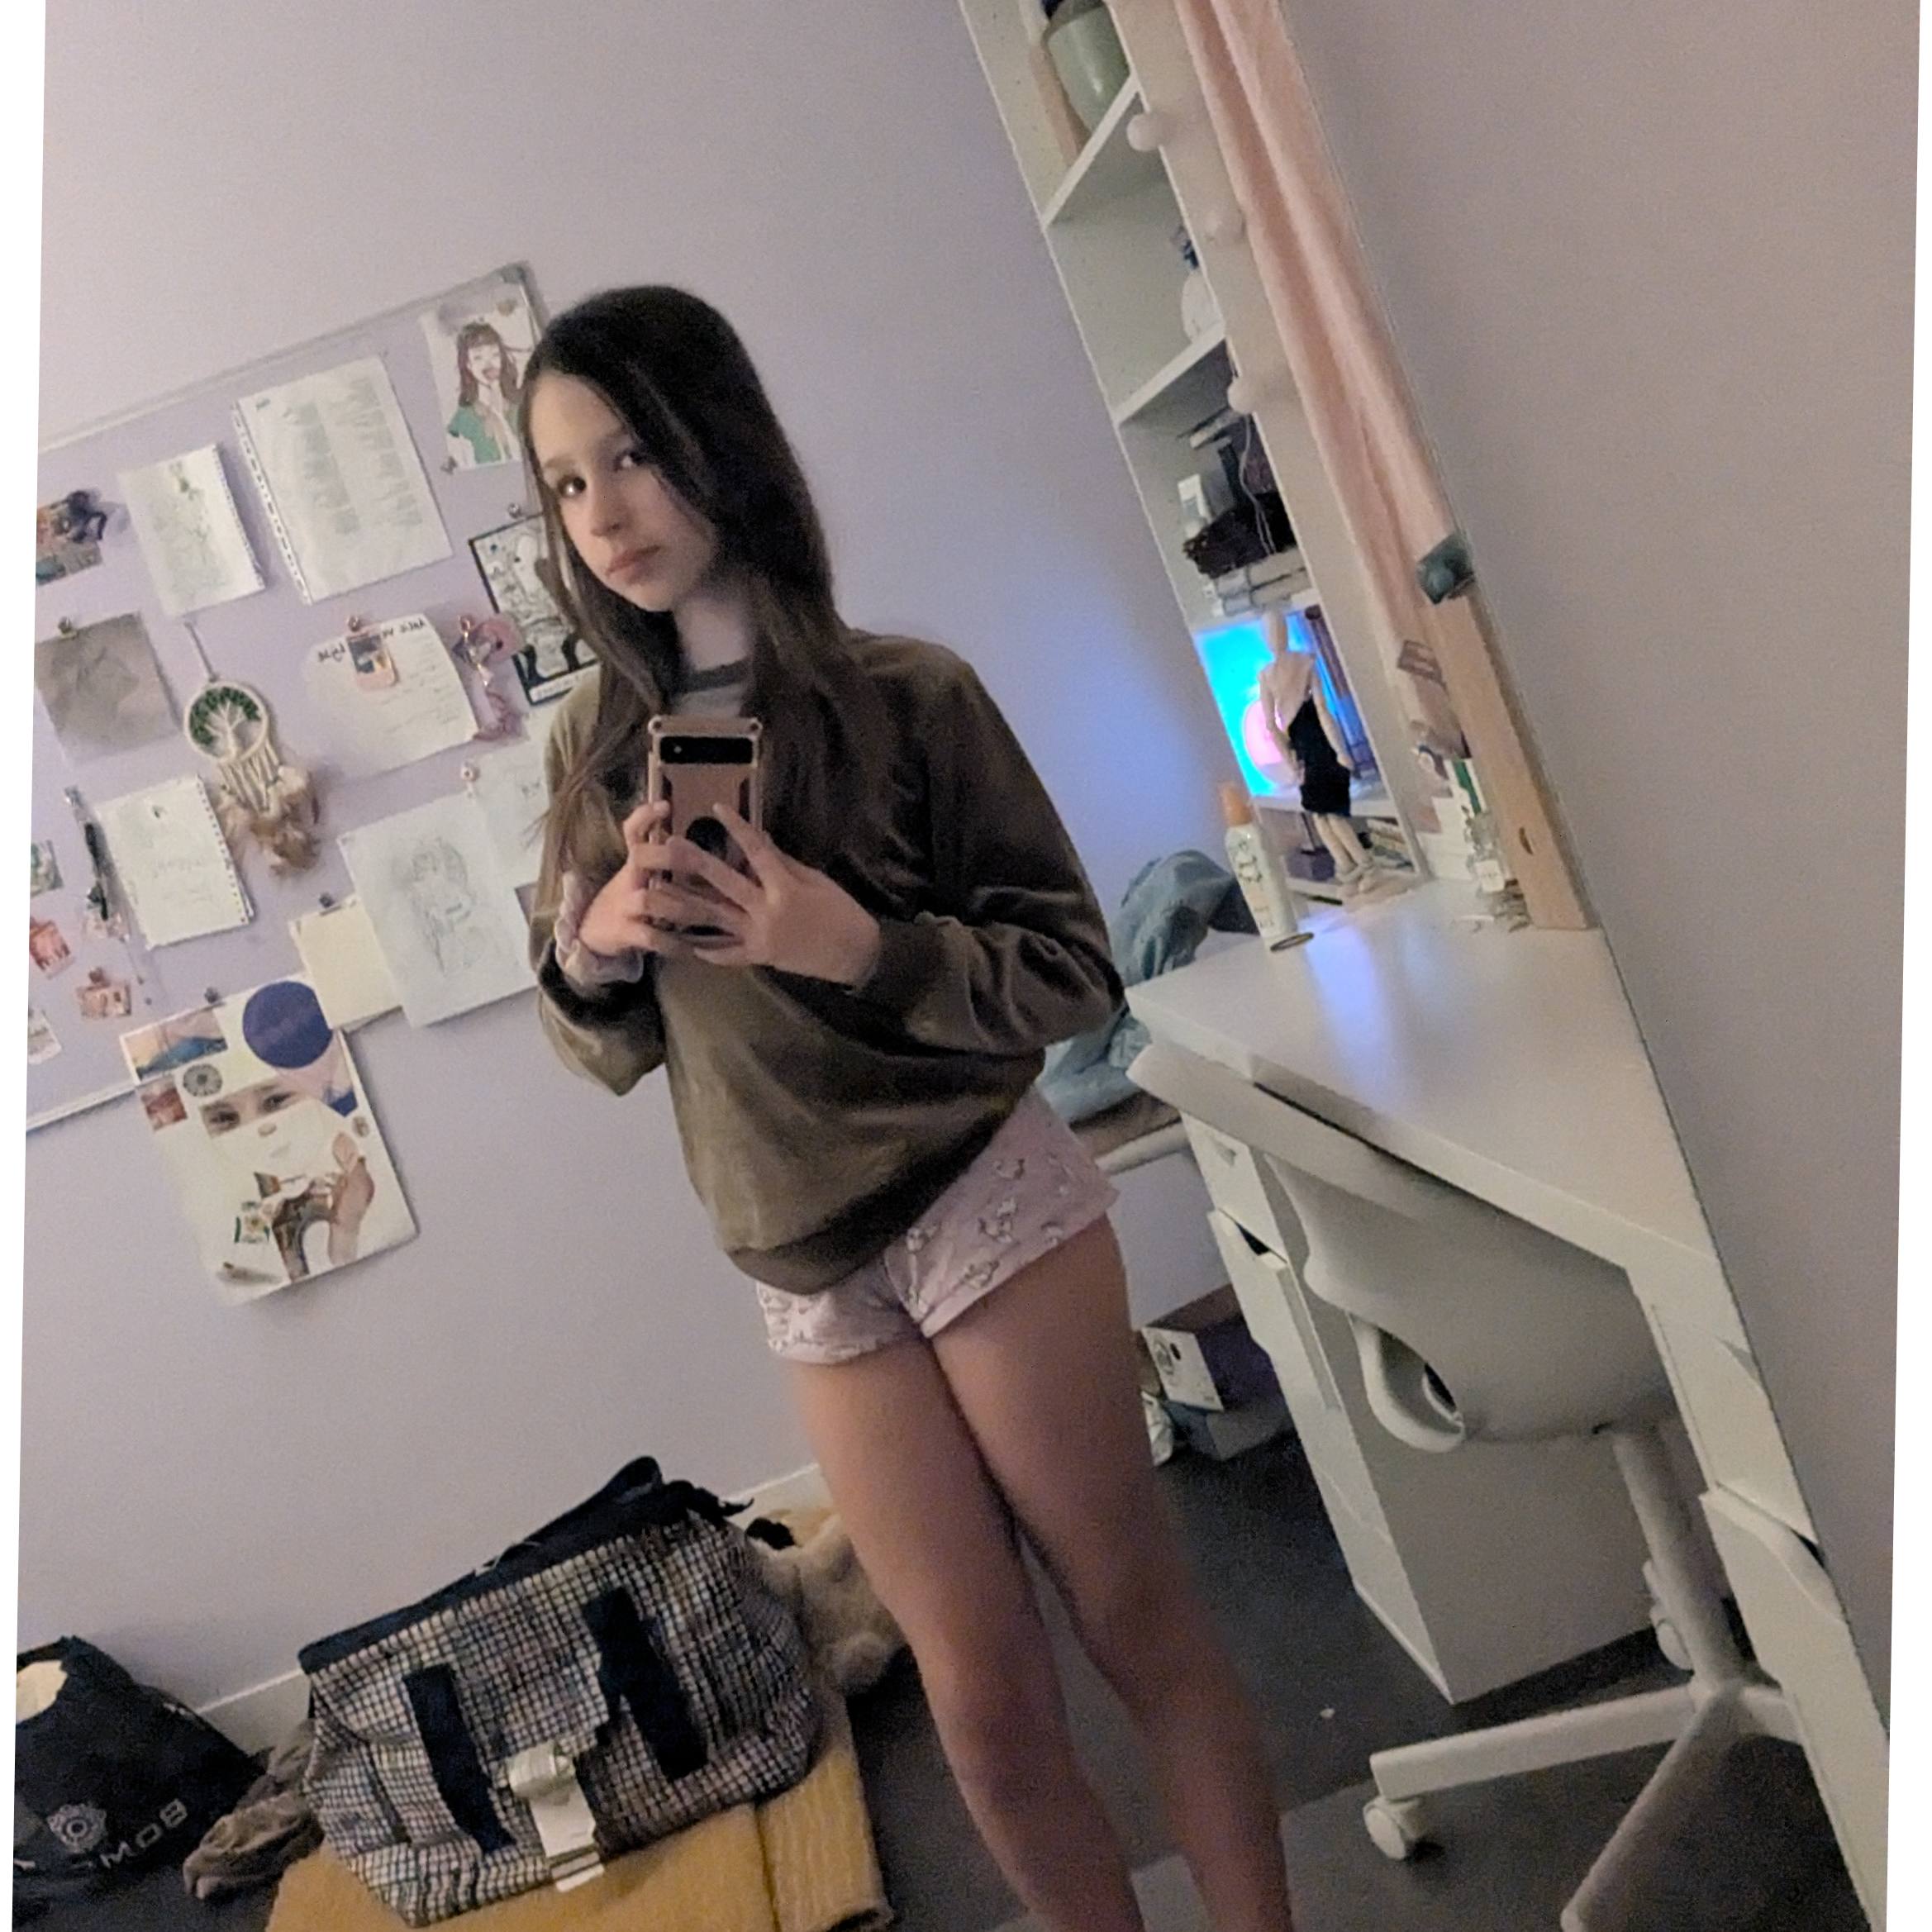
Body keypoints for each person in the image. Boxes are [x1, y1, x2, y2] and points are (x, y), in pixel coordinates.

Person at [521, 287, 1296, 1932]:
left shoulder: (908, 694)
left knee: (1136, 1622)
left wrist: (853, 944)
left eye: (635, 453)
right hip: (803, 1263)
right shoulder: (595, 746)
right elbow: (597, 1042)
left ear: (722, 441)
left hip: (976, 1198)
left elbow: (1071, 969)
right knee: (981, 1703)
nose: (604, 511)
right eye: (567, 481)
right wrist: (596, 946)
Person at [446, 321, 521, 465]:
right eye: (478, 357)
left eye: (495, 355)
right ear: (468, 365)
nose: (489, 364)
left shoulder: (520, 406)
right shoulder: (464, 417)